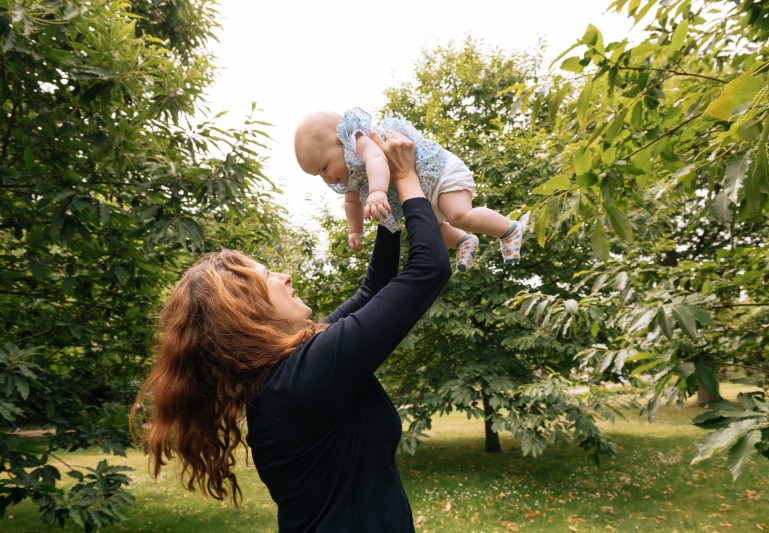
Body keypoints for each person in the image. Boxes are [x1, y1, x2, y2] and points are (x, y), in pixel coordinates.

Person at [130, 130, 451, 532]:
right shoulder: (305, 376)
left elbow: (374, 289)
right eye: (268, 276)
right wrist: (404, 177)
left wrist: (384, 201)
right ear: (248, 312)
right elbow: (428, 269)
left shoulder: (291, 369)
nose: (284, 276)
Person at [294, 107, 528, 272]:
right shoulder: (348, 177)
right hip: (418, 191)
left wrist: (377, 192)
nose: (326, 178)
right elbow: (352, 202)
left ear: (339, 140)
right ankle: (463, 242)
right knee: (428, 229)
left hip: (438, 174)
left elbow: (376, 158)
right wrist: (355, 231)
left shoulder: (357, 140)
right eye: (318, 175)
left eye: (324, 167)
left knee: (458, 215)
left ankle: (508, 229)